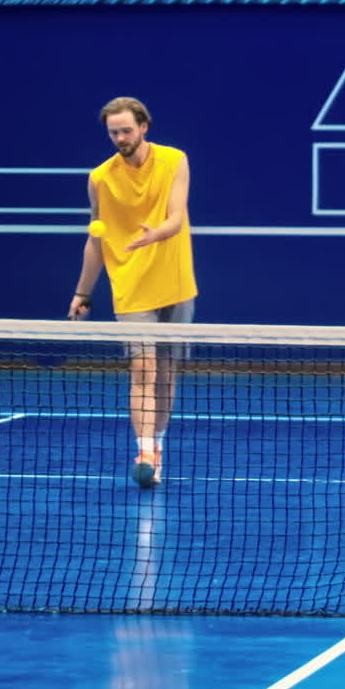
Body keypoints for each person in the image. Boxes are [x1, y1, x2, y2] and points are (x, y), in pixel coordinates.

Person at [68, 97, 197, 487]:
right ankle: (142, 450)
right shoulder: (100, 178)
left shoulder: (175, 161)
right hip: (130, 284)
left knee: (167, 375)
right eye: (113, 132)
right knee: (144, 368)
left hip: (175, 279)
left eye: (126, 130)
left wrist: (157, 233)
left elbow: (175, 218)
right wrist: (83, 292)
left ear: (144, 127)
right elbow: (95, 239)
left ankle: (157, 446)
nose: (120, 138)